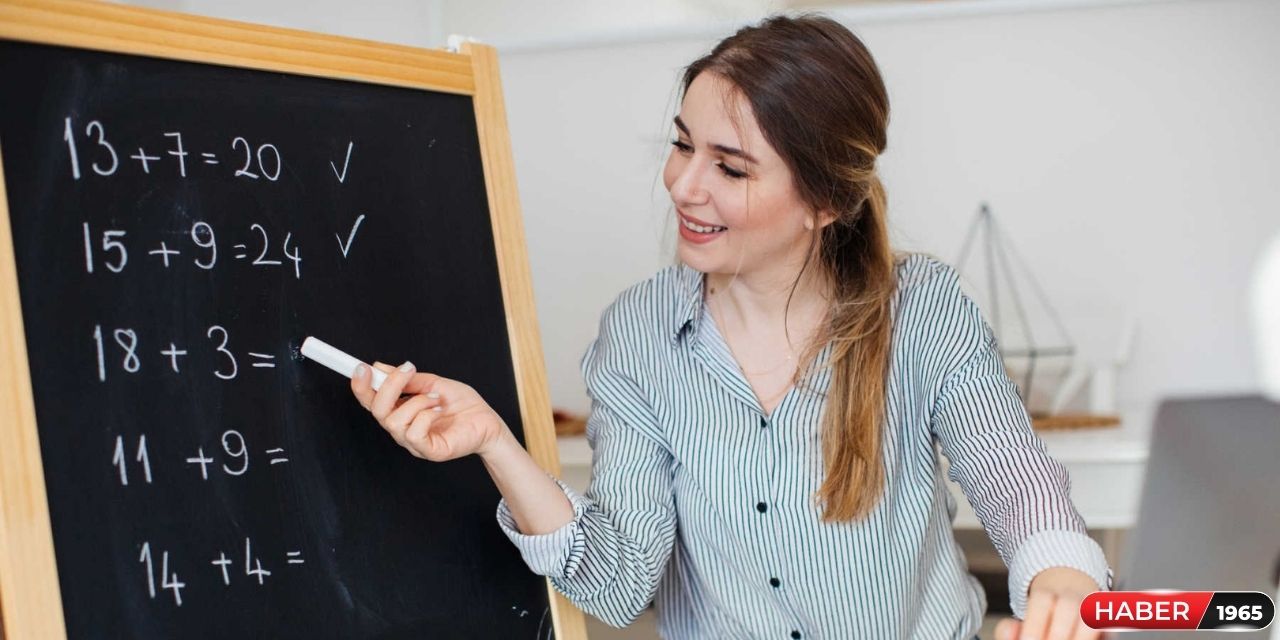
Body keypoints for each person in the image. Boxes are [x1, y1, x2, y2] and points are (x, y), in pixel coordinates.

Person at [350, 14, 1110, 640]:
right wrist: (492, 440)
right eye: (683, 144)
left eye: (731, 167)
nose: (683, 184)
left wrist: (1065, 585)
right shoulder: (639, 335)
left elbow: (1022, 491)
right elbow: (618, 586)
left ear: (826, 205)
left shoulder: (922, 309)